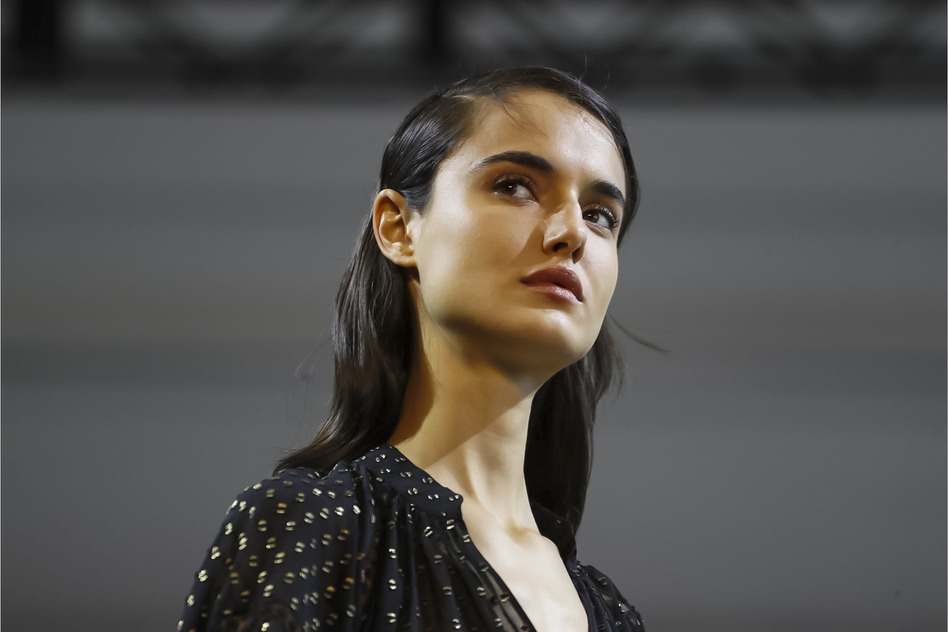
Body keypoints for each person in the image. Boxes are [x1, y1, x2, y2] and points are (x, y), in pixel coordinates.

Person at [179, 66, 645, 632]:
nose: (571, 233)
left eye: (600, 216)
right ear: (399, 228)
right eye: (514, 186)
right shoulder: (313, 528)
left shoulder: (613, 615)